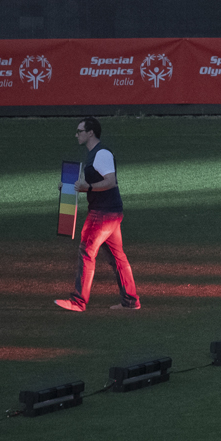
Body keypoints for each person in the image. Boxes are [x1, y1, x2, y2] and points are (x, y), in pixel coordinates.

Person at [55, 117, 141, 313]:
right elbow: (93, 185)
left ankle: (78, 302)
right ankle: (130, 301)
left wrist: (89, 186)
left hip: (102, 214)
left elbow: (110, 182)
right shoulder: (95, 155)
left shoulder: (101, 154)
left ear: (90, 132)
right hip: (110, 213)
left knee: (86, 253)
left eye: (79, 131)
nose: (76, 135)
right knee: (118, 257)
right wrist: (71, 187)